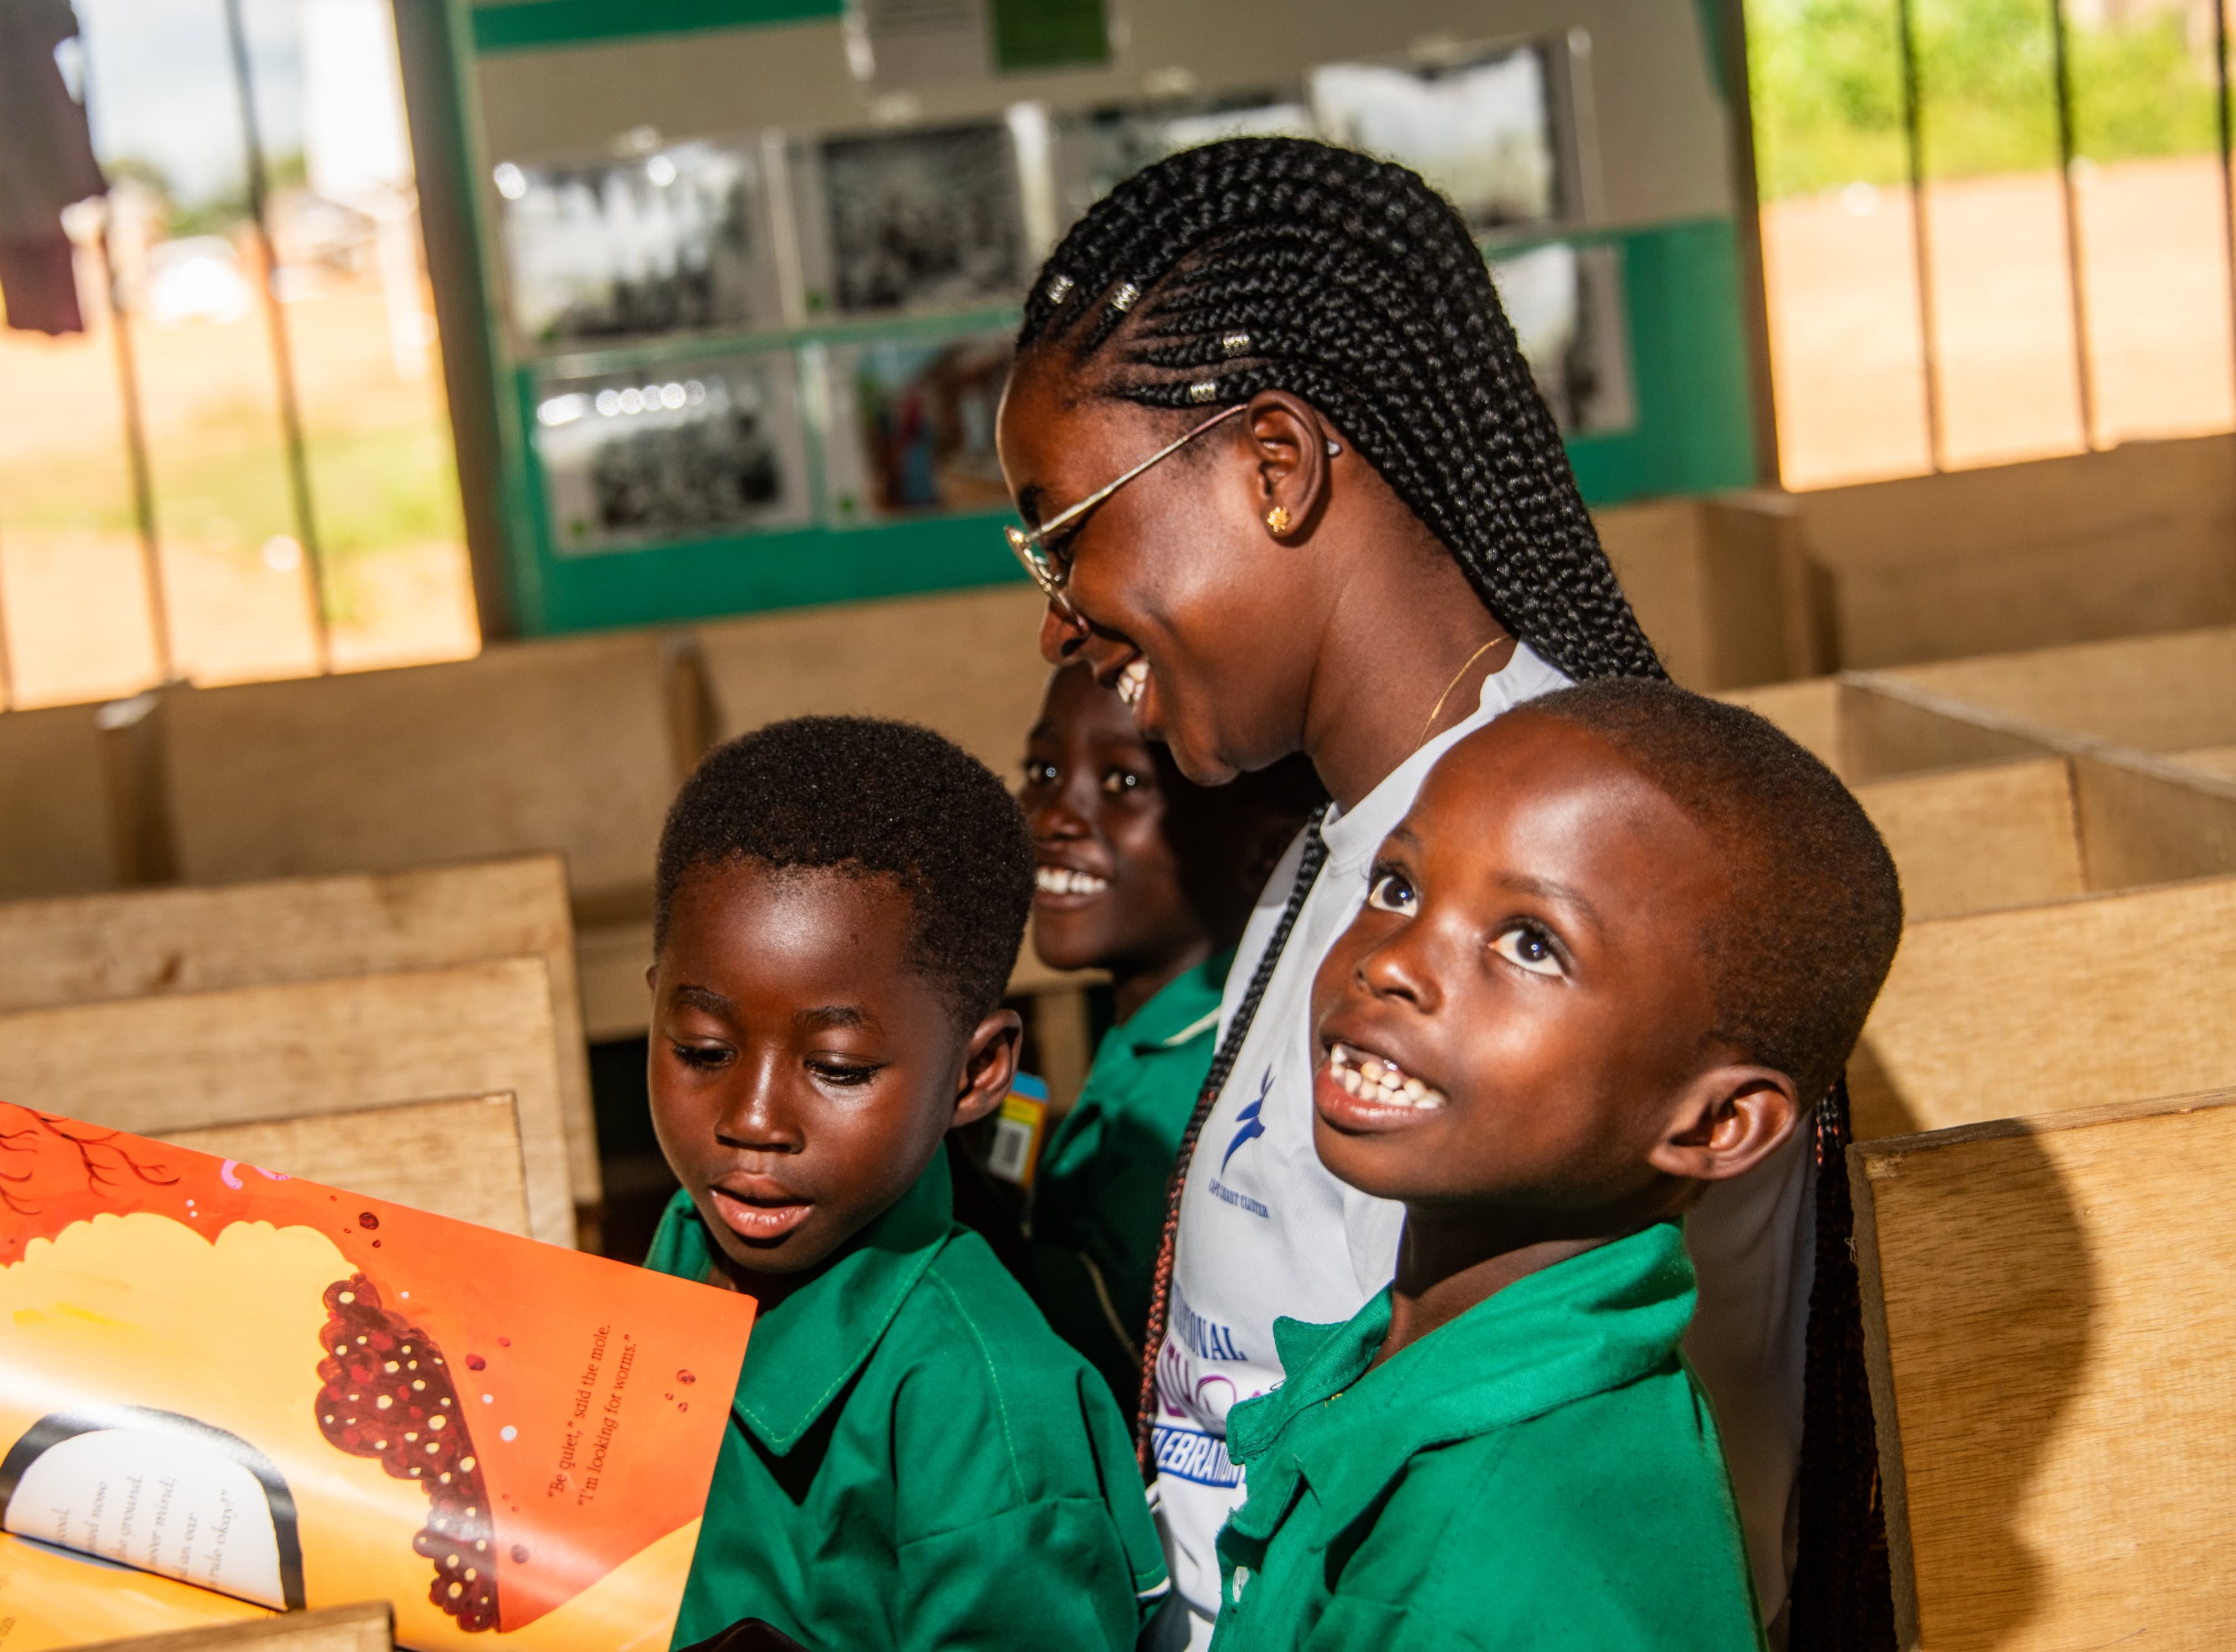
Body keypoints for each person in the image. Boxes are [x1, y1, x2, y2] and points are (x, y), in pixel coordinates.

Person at [994, 135, 1884, 1647]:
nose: (1054, 621)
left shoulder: (1559, 879)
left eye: (1065, 538)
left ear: (1274, 467)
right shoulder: (1353, 834)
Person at [1209, 681, 1902, 1651]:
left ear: (1719, 1125)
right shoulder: (1429, 1371)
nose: (1394, 961)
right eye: (1398, 888)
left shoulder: (1484, 1566)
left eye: (1530, 943)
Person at [640, 714, 1171, 1651]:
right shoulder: (689, 1237)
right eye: (702, 1050)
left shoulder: (984, 1413)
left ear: (975, 1076)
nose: (752, 1119)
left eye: (838, 1068)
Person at [1017, 665, 1324, 1415]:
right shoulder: (1155, 1040)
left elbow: (1123, 1356)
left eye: (1124, 783)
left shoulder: (1202, 1084)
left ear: (1266, 855)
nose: (1056, 813)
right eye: (1044, 771)